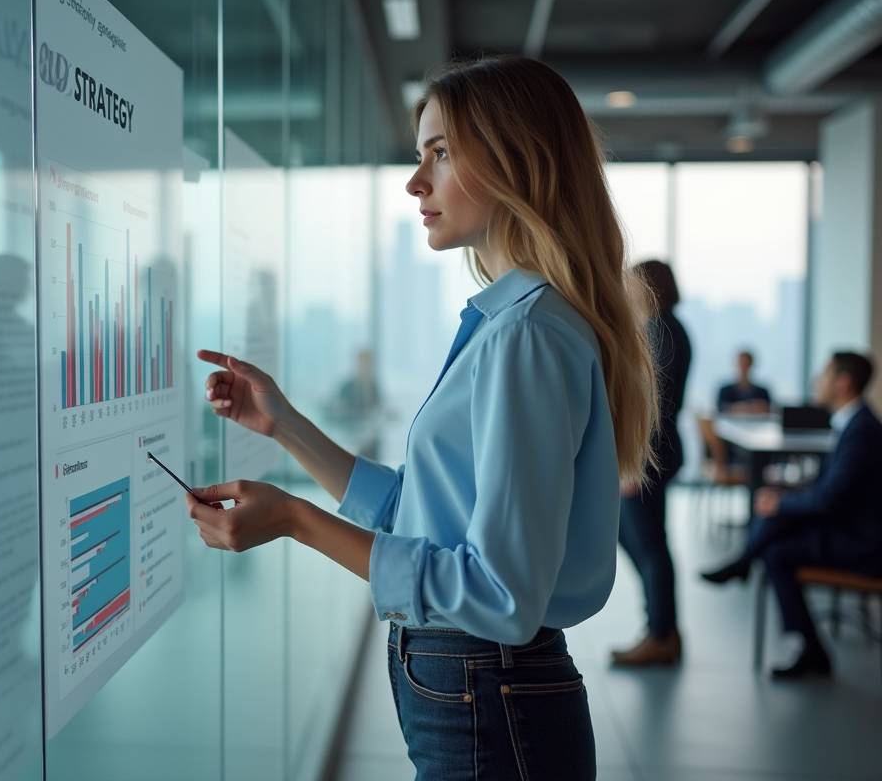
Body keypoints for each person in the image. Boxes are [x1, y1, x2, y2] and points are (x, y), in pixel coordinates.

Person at [185, 57, 658, 781]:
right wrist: (283, 424)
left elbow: (497, 593)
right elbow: (422, 510)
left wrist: (296, 521)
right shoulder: (510, 324)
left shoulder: (524, 334)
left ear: (517, 161)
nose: (416, 182)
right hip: (478, 686)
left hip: (488, 689)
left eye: (441, 153)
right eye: (420, 156)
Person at [701, 352, 882, 678]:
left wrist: (781, 503)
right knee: (775, 516)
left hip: (862, 543)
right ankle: (745, 563)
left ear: (843, 383)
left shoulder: (862, 430)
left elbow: (828, 499)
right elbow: (830, 489)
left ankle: (745, 562)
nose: (816, 381)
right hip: (848, 525)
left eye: (824, 375)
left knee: (776, 539)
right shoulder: (855, 423)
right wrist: (783, 498)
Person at [610, 260, 692, 667]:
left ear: (650, 287)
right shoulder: (662, 328)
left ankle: (660, 633)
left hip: (651, 457)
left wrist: (634, 464)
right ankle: (663, 628)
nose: (628, 289)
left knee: (650, 546)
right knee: (642, 541)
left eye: (633, 283)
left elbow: (652, 407)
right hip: (655, 455)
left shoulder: (661, 330)